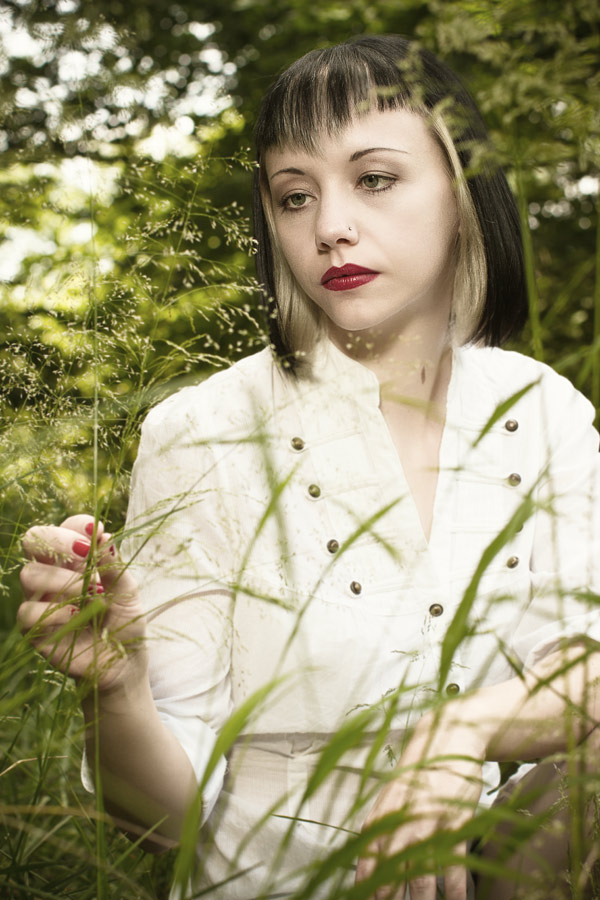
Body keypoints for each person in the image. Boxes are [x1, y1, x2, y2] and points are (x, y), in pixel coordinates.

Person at [18, 34, 600, 900]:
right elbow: (158, 825)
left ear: (462, 192)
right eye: (295, 196)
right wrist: (118, 691)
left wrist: (465, 729)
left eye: (374, 179)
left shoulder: (544, 411)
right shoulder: (205, 431)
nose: (330, 226)